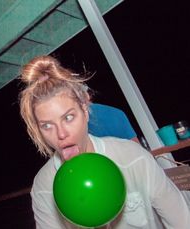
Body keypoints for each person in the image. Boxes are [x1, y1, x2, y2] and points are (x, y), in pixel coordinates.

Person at [19, 55, 190, 229]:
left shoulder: (134, 157)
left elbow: (182, 221)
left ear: (85, 112)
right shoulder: (43, 187)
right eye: (47, 125)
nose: (61, 134)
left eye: (68, 117)